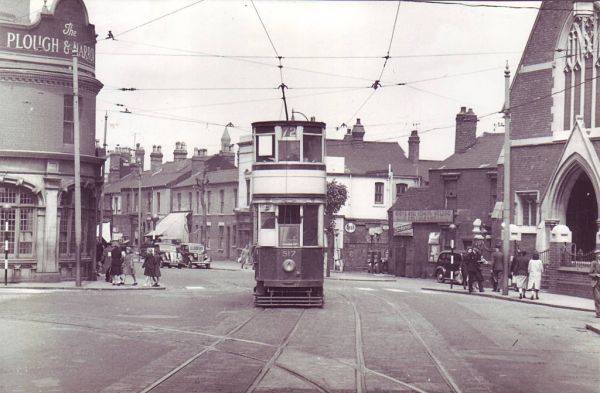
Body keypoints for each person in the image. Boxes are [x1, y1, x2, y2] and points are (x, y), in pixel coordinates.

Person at [589, 249, 600, 318]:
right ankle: (598, 313)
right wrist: (596, 275)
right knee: (598, 298)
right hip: (596, 282)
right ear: (595, 256)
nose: (599, 255)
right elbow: (590, 273)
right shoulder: (593, 263)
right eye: (598, 254)